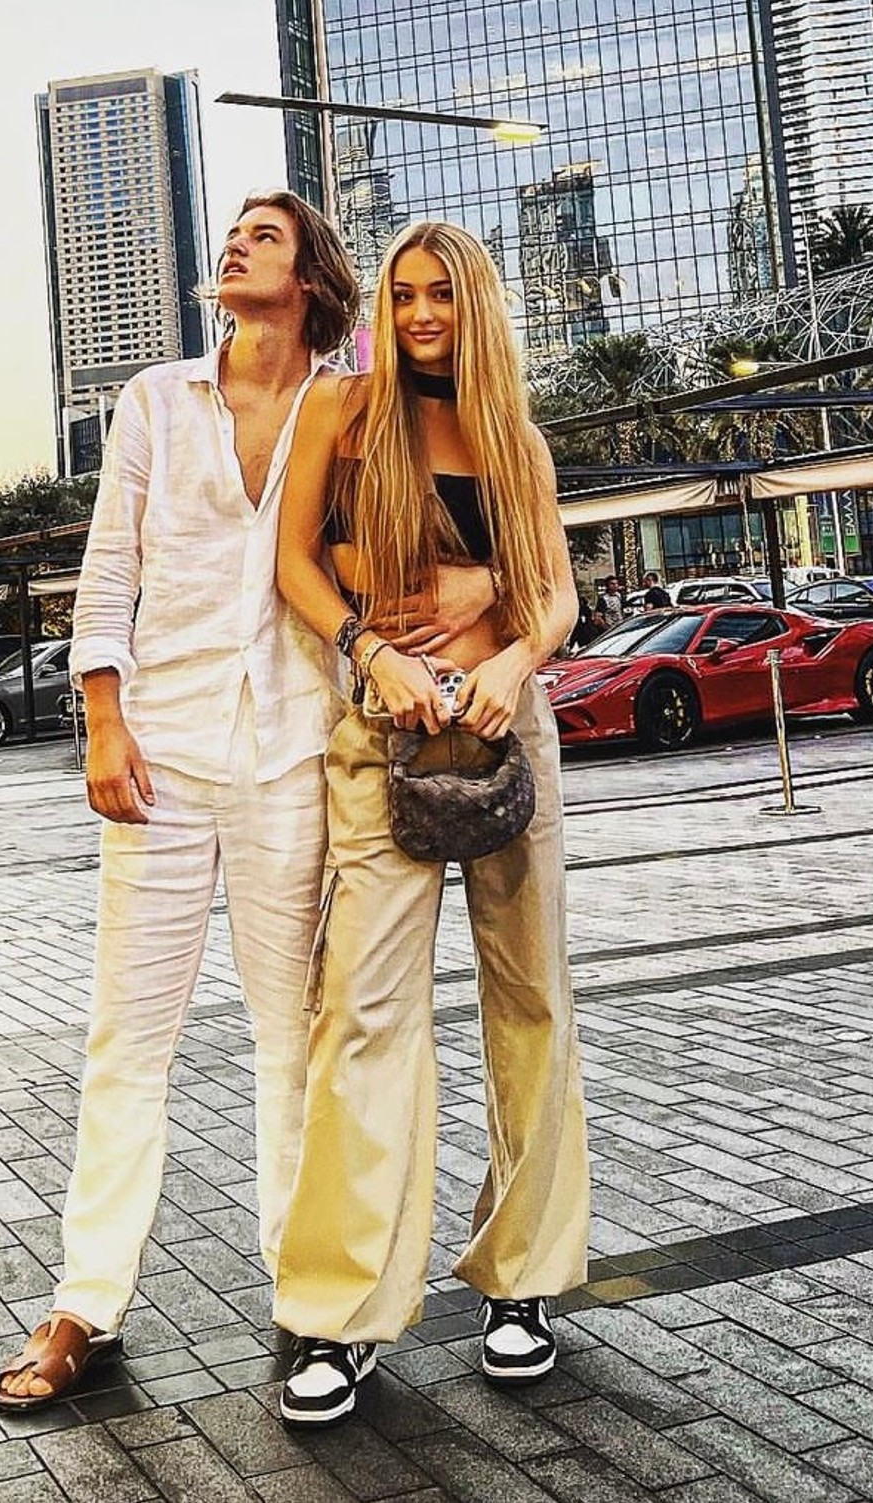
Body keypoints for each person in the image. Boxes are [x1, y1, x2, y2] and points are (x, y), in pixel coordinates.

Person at [0, 194, 369, 1408]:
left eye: (266, 235)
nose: (236, 243)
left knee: (290, 1036)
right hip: (161, 751)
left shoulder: (347, 407)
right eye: (235, 231)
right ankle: (84, 1303)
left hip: (292, 749)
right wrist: (103, 718)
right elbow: (111, 566)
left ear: (309, 278)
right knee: (127, 1037)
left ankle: (307, 1292)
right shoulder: (156, 399)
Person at [270, 219, 588, 1428]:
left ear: (475, 306)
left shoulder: (514, 438)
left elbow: (555, 595)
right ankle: (341, 1312)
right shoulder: (342, 412)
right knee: (362, 1011)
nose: (417, 315)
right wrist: (367, 652)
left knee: (531, 999)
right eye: (401, 295)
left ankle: (522, 1281)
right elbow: (297, 567)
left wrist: (511, 661)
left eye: (439, 296)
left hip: (505, 732)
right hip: (382, 731)